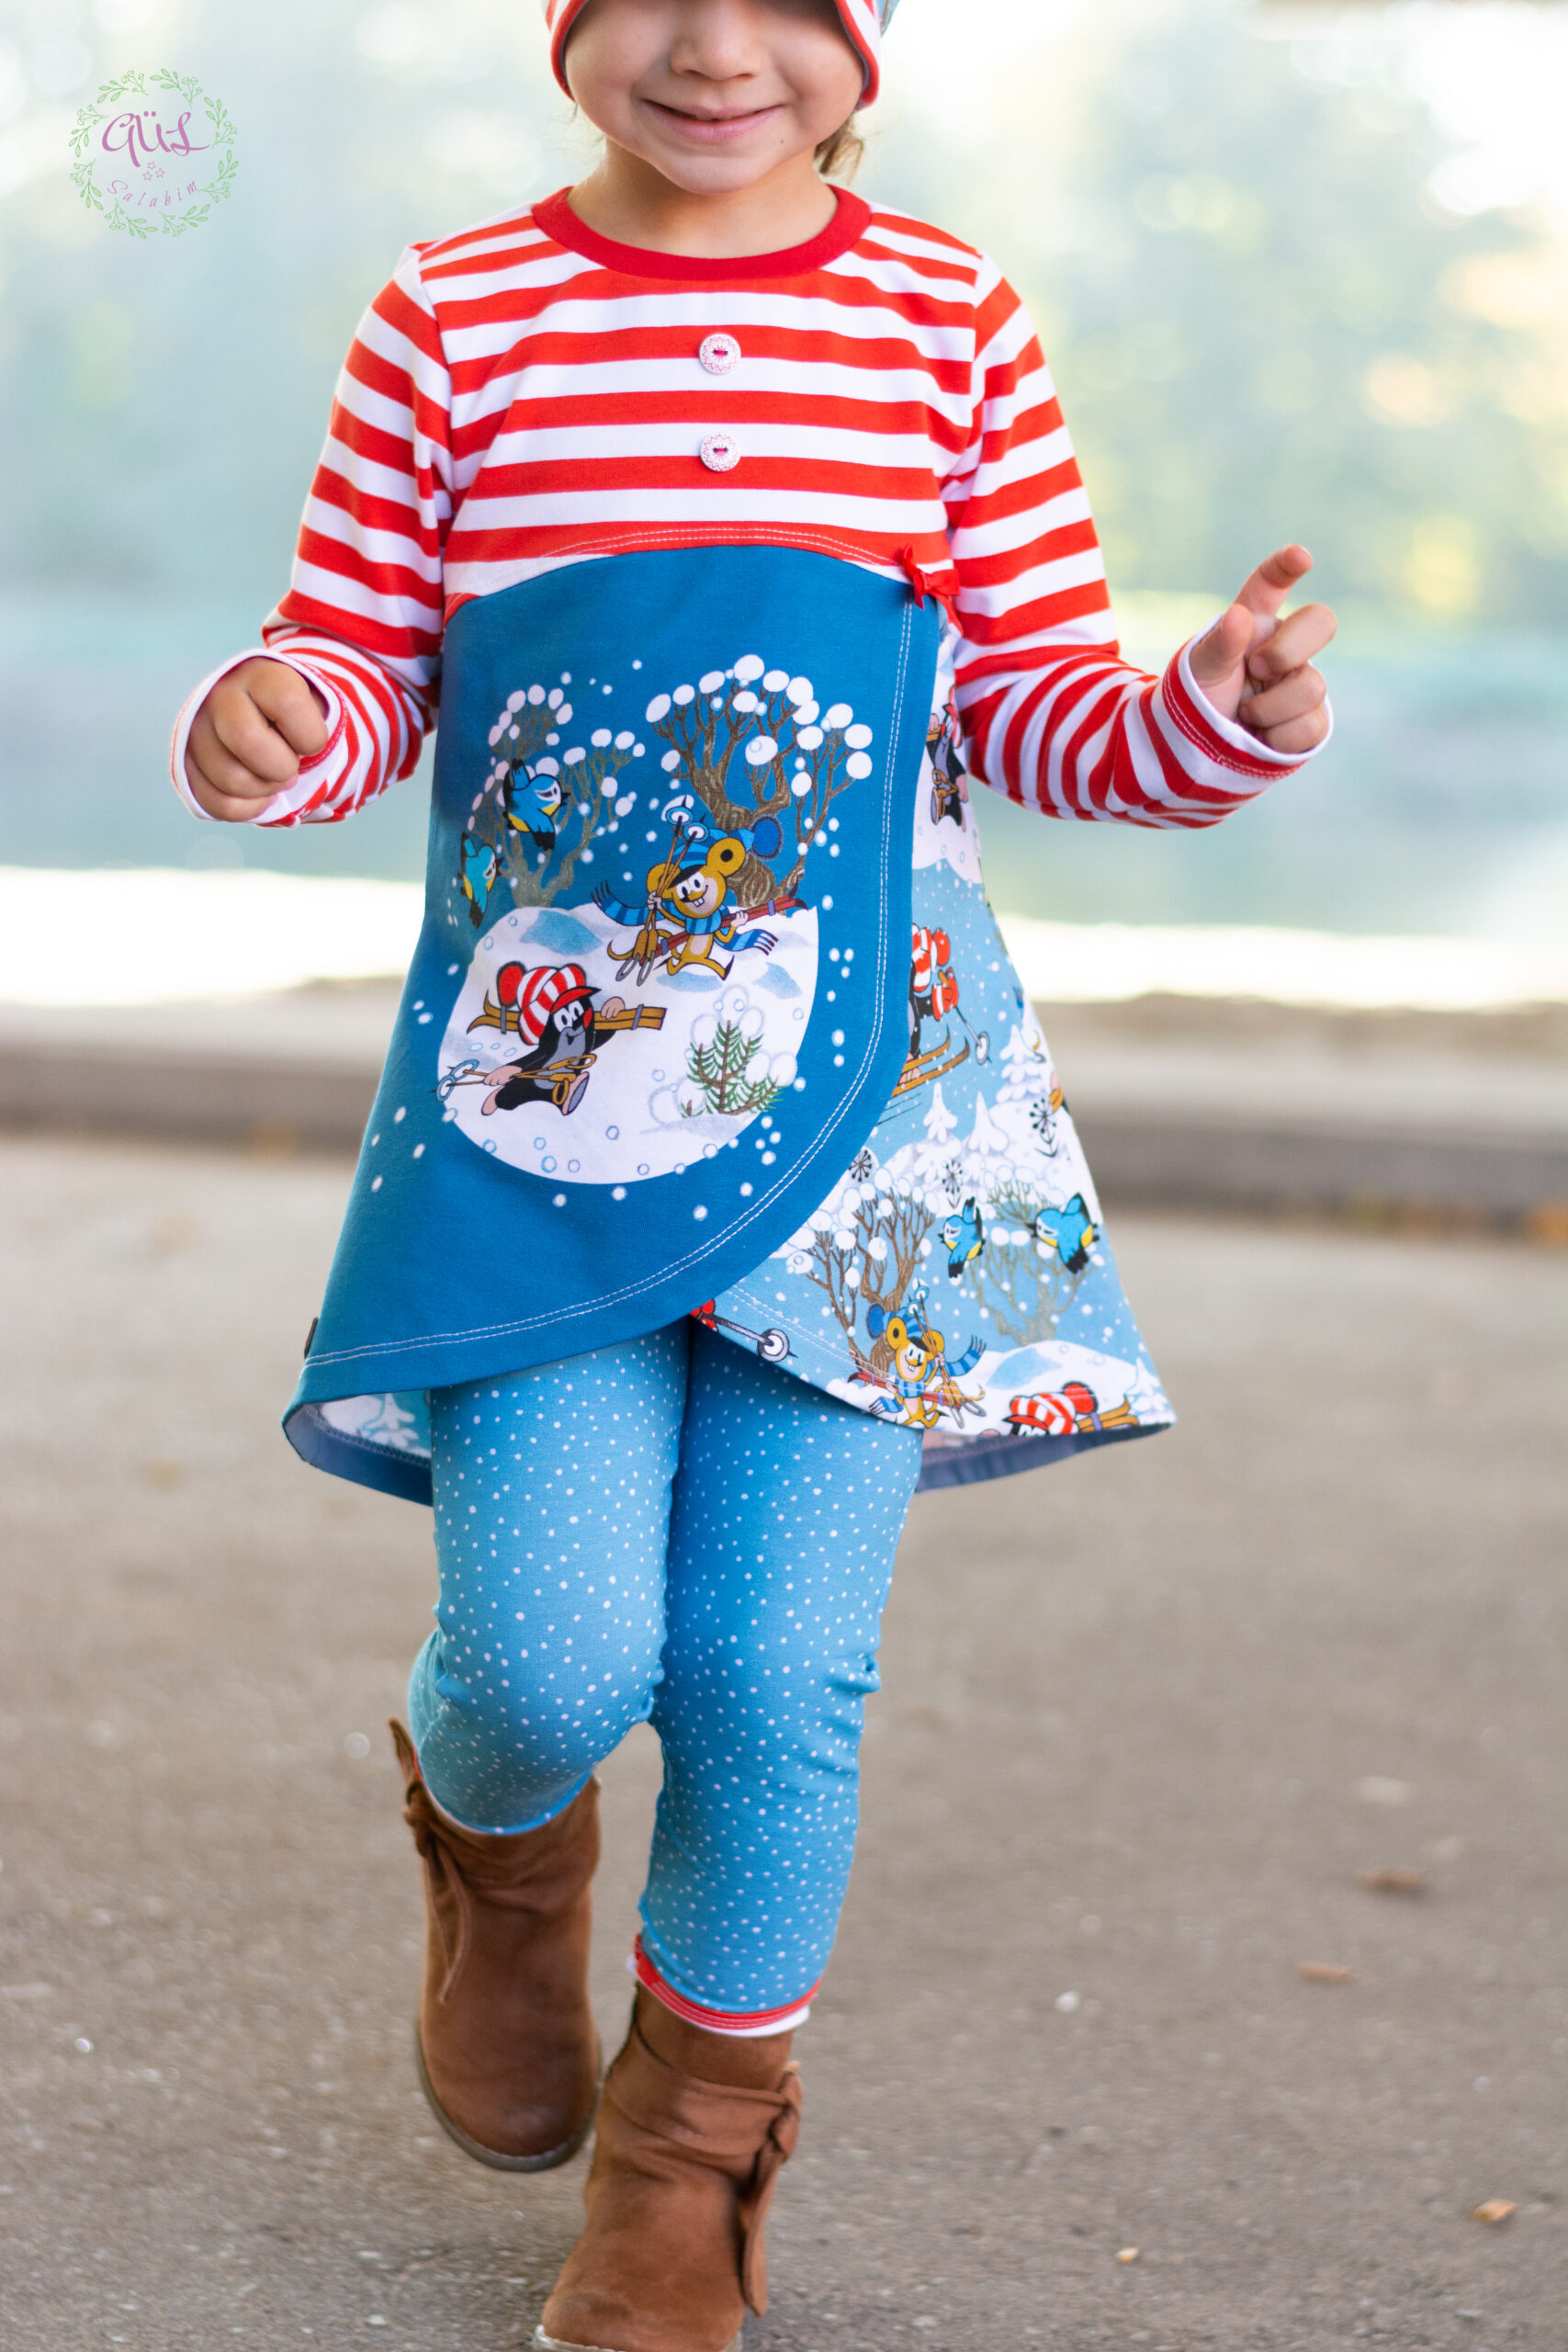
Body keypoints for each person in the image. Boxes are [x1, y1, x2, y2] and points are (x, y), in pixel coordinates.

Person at [170, 3, 1335, 2345]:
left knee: (770, 1667)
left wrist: (1207, 710)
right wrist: (268, 723)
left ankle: (683, 2168)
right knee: (544, 1654)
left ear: (865, 38)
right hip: (554, 1109)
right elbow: (360, 665)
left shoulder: (946, 320)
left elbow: (1032, 708)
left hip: (874, 1122)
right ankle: (500, 1859)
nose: (715, 48)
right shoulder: (451, 314)